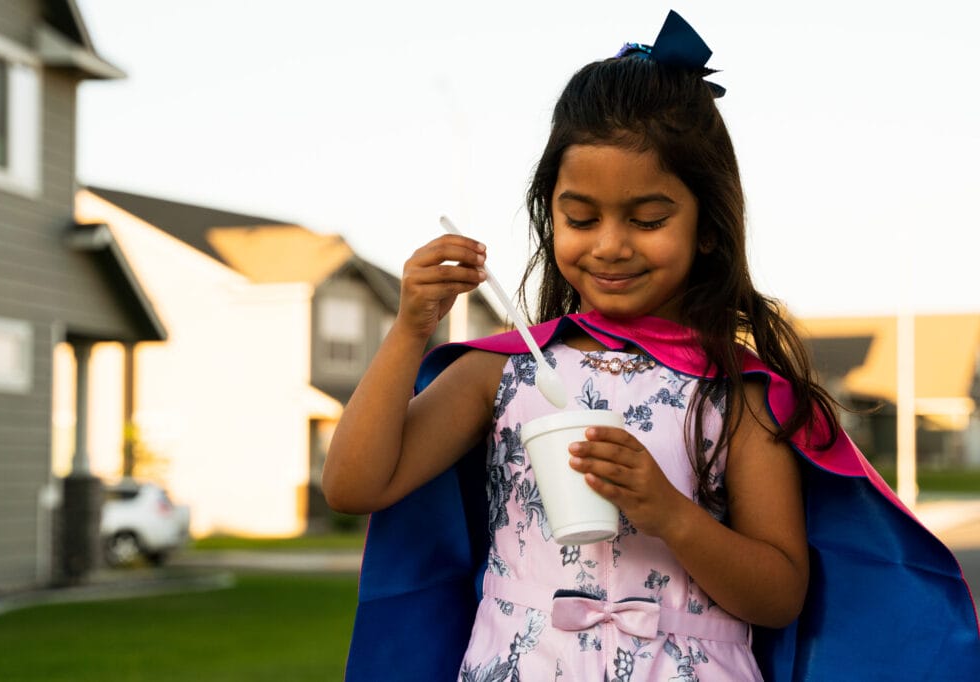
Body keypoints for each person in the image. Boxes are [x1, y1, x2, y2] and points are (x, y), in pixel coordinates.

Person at [323, 11, 980, 681]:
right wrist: (409, 330)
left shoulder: (737, 394)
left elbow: (780, 596)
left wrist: (670, 513)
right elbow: (353, 484)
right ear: (550, 215)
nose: (610, 244)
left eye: (647, 219)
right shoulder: (503, 372)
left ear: (708, 229)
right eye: (581, 218)